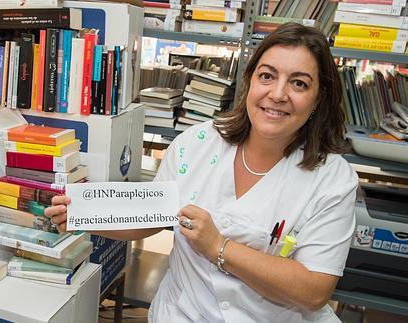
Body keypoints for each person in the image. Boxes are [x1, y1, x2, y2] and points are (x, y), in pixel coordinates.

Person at [46, 22, 358, 322]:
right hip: (182, 314)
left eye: (299, 83)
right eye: (267, 76)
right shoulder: (196, 144)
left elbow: (314, 290)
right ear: (249, 82)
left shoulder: (332, 180)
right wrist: (84, 216)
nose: (277, 94)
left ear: (318, 99)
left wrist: (219, 247)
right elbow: (151, 216)